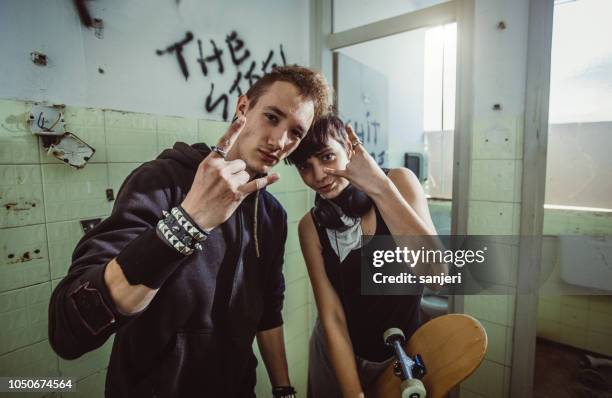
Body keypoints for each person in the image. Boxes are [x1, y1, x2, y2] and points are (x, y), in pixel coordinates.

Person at [48, 66, 332, 397]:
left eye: (295, 132)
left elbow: (268, 310)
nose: (279, 141)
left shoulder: (271, 216)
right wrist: (191, 219)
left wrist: (283, 390)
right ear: (243, 108)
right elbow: (69, 329)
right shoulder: (160, 181)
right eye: (272, 117)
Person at [286, 115, 448, 398]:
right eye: (305, 167)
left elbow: (436, 276)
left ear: (349, 148)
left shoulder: (398, 182)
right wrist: (354, 393)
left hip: (403, 353)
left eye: (327, 157)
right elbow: (331, 315)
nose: (319, 175)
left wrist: (379, 187)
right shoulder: (310, 227)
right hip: (338, 354)